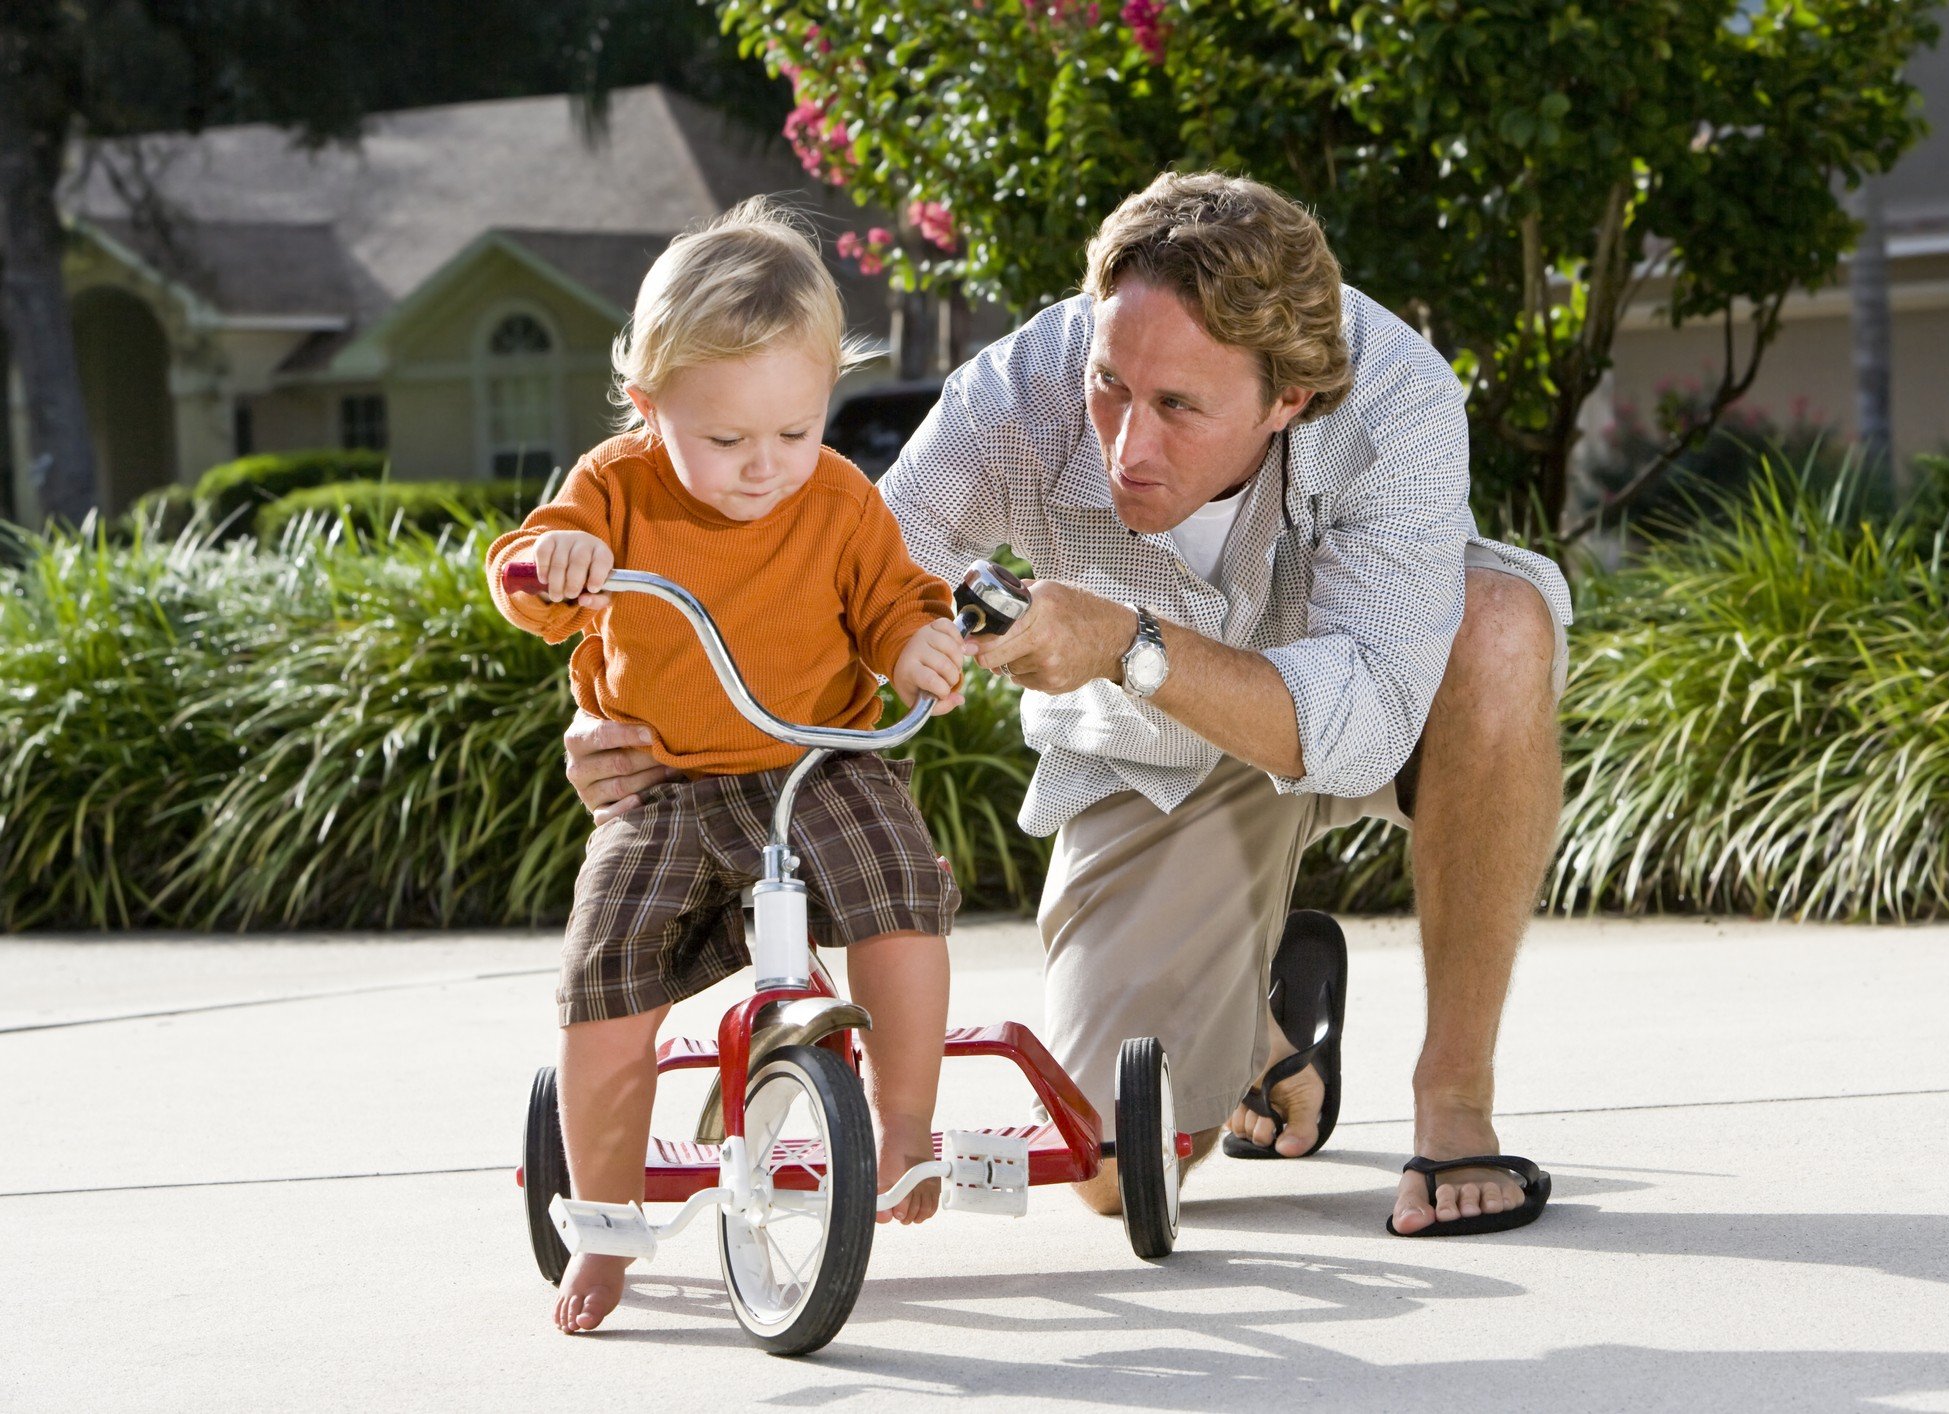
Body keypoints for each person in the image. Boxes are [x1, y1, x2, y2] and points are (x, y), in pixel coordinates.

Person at [563, 172, 1571, 1239]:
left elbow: (1362, 724)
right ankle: (1261, 1017)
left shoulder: (1394, 399)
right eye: (1111, 386)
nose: (1127, 446)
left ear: (1291, 400)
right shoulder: (1020, 393)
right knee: (1109, 1170)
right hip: (1156, 757)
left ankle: (1454, 1097)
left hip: (1368, 709)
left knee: (1500, 622)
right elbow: (837, 592)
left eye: (1180, 407)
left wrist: (1126, 642)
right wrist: (642, 718)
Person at [487, 198, 966, 1336]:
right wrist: (559, 564)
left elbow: (895, 599)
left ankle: (903, 1131)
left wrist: (915, 642)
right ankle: (603, 1223)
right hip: (662, 779)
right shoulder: (615, 488)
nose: (764, 468)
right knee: (604, 982)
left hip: (820, 762)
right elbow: (527, 576)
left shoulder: (839, 498)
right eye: (726, 440)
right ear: (649, 409)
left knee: (902, 893)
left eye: (794, 432)